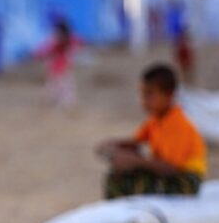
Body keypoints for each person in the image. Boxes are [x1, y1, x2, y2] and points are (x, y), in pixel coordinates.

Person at [96, 64, 207, 199]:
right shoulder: (156, 120)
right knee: (116, 176)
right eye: (142, 94)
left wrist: (136, 161)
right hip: (167, 172)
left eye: (149, 94)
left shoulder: (178, 125)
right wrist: (113, 145)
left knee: (139, 184)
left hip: (186, 179)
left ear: (169, 94)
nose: (144, 100)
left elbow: (171, 168)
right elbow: (136, 142)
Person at [34, 17, 81, 107]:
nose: (57, 34)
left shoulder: (63, 40)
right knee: (59, 83)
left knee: (60, 83)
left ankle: (63, 100)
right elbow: (44, 50)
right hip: (58, 64)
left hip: (60, 64)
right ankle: (62, 100)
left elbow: (45, 50)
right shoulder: (58, 40)